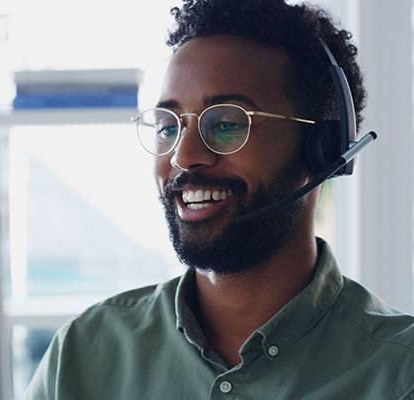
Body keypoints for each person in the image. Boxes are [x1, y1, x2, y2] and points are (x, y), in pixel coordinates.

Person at [23, 1, 414, 399]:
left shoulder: (399, 373)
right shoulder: (84, 354)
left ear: (322, 150)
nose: (183, 155)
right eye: (167, 126)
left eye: (226, 123)